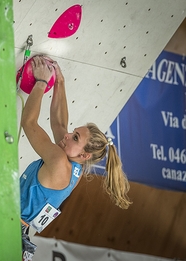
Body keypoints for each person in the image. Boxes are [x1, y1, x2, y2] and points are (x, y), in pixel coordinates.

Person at [19, 55, 132, 259]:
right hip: (17, 234)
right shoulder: (74, 169)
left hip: (10, 228)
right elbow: (59, 124)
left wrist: (42, 82)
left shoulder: (58, 161)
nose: (67, 135)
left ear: (84, 154)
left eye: (75, 137)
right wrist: (60, 82)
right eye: (74, 131)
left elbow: (29, 123)